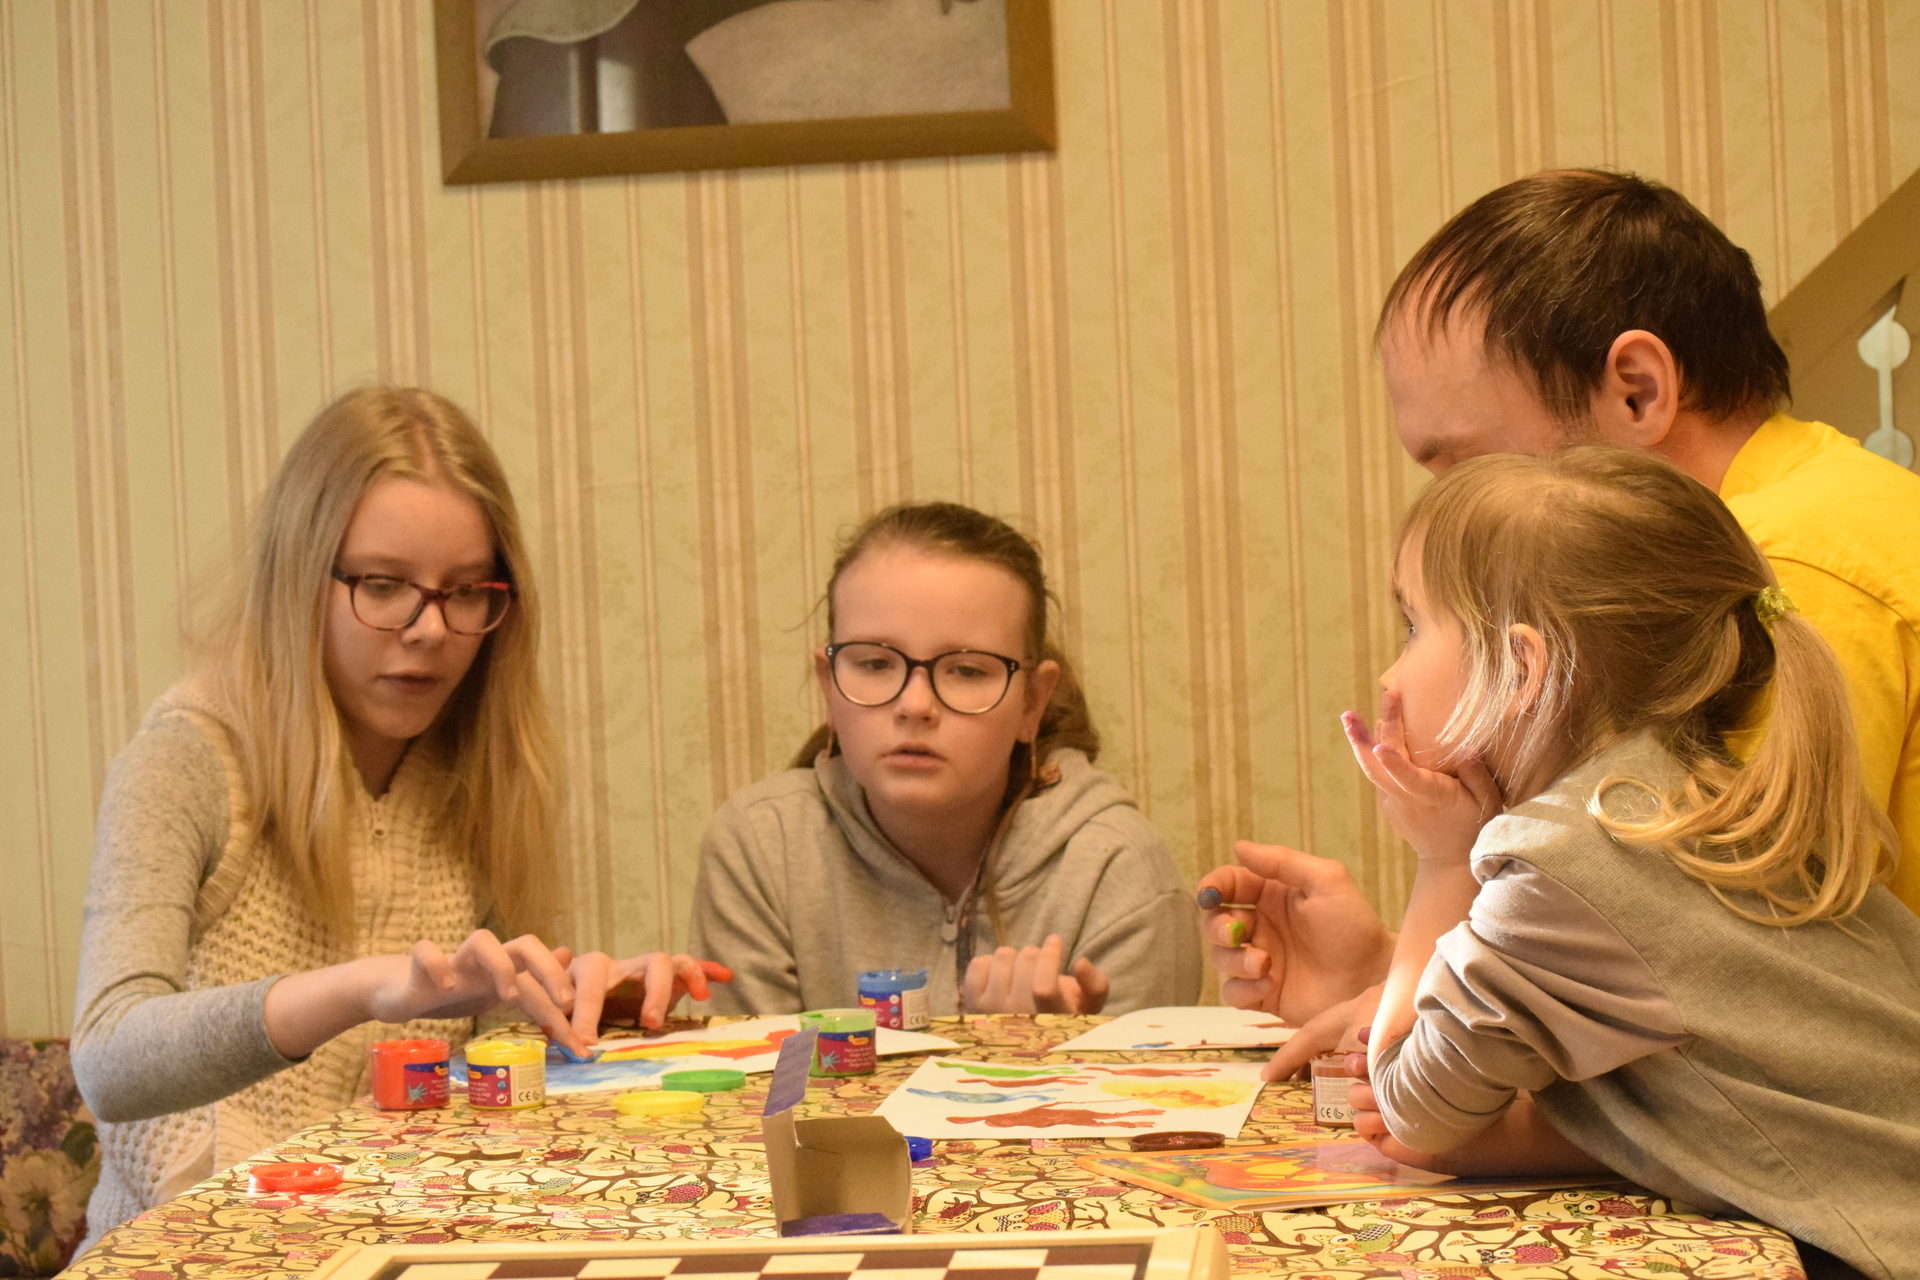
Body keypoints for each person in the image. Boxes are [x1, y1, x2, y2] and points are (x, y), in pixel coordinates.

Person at [1203, 168, 1920, 1076]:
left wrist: (1427, 1043)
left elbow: (1736, 1039)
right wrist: (1392, 970)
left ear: (1636, 392)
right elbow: (1668, 985)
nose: (1448, 518)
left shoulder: (1787, 572)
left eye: (1463, 467)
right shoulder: (1795, 520)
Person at [70, 388, 718, 1246]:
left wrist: (584, 1013)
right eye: (383, 586)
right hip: (195, 1250)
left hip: (391, 1244)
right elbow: (109, 1059)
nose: (429, 630)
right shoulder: (188, 757)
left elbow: (487, 1078)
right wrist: (363, 989)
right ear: (300, 576)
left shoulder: (481, 769)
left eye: (466, 592)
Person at [1338, 448, 1918, 1276]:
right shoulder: (1696, 803)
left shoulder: (1560, 862)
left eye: (1414, 625)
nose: (1390, 673)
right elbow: (1713, 1111)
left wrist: (1441, 860)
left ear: (1520, 671)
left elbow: (1409, 1109)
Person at [689, 501, 1200, 1016]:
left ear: (1032, 703)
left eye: (967, 671)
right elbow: (753, 1071)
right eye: (875, 663)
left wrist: (1039, 1053)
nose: (915, 705)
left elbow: (1163, 1070)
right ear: (829, 685)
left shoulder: (1118, 871)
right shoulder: (762, 847)